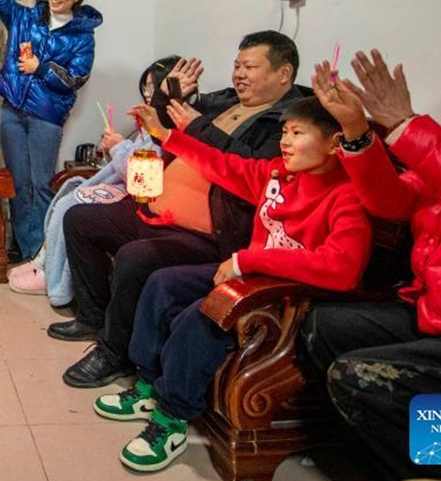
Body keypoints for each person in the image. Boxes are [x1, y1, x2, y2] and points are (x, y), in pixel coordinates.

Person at [96, 96, 372, 473]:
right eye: (284, 133)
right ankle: (147, 384)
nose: (285, 142)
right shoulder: (280, 173)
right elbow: (224, 165)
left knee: (204, 314)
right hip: (253, 277)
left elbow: (342, 269)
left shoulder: (348, 193)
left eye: (297, 133)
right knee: (162, 283)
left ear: (333, 142)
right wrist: (167, 136)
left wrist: (248, 260)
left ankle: (172, 417)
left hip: (286, 296)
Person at [301, 24, 441, 481]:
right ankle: (425, 459)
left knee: (355, 376)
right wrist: (358, 131)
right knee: (322, 327)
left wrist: (405, 125)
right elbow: (393, 203)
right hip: (440, 312)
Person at [53, 31, 309, 390]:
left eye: (249, 67)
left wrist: (196, 125)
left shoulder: (289, 123)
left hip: (211, 234)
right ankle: (92, 318)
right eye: (236, 65)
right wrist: (166, 96)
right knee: (80, 219)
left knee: (134, 257)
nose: (238, 74)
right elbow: (159, 132)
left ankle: (113, 355)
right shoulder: (223, 101)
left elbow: (251, 169)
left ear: (284, 73)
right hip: (158, 211)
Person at [8, 56, 183, 303]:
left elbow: (142, 177)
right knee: (68, 194)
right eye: (146, 87)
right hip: (125, 189)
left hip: (143, 199)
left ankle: (55, 280)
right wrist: (118, 147)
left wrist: (119, 146)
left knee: (73, 203)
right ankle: (45, 263)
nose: (147, 94)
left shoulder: (172, 129)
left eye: (153, 88)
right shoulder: (151, 124)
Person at [0, 0, 103, 263]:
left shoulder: (82, 36)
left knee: (41, 183)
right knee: (18, 184)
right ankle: (27, 246)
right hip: (13, 110)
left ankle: (44, 251)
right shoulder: (26, 18)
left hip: (46, 116)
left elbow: (76, 77)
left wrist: (40, 68)